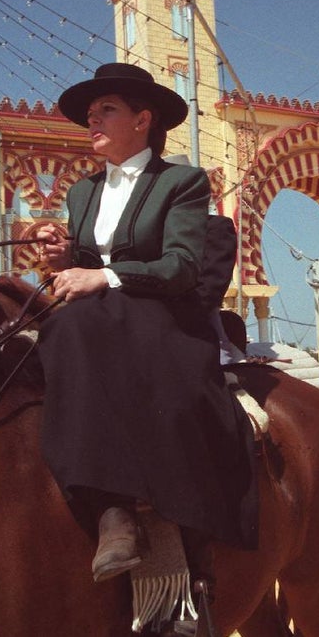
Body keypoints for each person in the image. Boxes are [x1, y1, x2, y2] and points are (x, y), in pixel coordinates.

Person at [34, 63, 258, 598]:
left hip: (162, 314)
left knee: (72, 327)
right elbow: (90, 258)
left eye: (104, 110)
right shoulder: (81, 193)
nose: (93, 121)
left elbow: (181, 266)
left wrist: (102, 275)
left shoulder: (181, 182)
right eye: (90, 114)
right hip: (102, 314)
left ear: (142, 119)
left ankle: (116, 508)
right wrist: (67, 255)